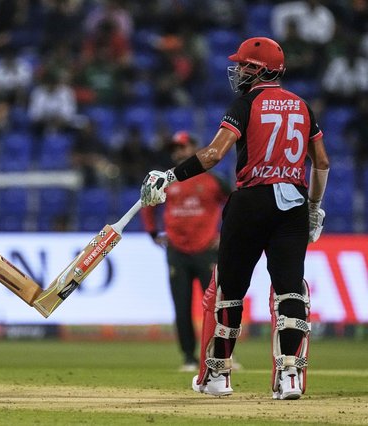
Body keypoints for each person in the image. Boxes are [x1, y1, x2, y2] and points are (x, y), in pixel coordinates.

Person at [141, 37, 329, 400]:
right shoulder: (303, 105)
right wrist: (313, 207)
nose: (239, 70)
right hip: (293, 204)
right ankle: (289, 376)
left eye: (245, 65)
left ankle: (217, 376)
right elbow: (320, 162)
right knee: (290, 288)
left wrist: (169, 175)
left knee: (229, 289)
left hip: (252, 201)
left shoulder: (246, 103)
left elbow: (212, 155)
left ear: (259, 69)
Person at [140, 131, 231, 372]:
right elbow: (148, 204)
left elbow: (235, 205)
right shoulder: (166, 180)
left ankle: (219, 355)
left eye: (183, 147)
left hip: (206, 251)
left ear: (194, 147)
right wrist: (152, 233)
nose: (179, 152)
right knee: (181, 307)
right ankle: (189, 358)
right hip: (177, 251)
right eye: (176, 148)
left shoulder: (214, 180)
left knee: (215, 307)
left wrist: (226, 236)